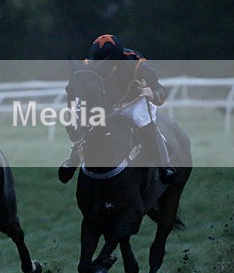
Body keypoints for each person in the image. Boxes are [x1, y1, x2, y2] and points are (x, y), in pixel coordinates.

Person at [60, 33, 177, 184]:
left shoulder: (137, 62)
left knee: (141, 119)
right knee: (89, 119)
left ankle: (164, 166)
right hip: (107, 101)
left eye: (107, 67)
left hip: (135, 100)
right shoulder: (89, 64)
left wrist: (152, 94)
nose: (102, 70)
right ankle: (72, 160)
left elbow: (161, 91)